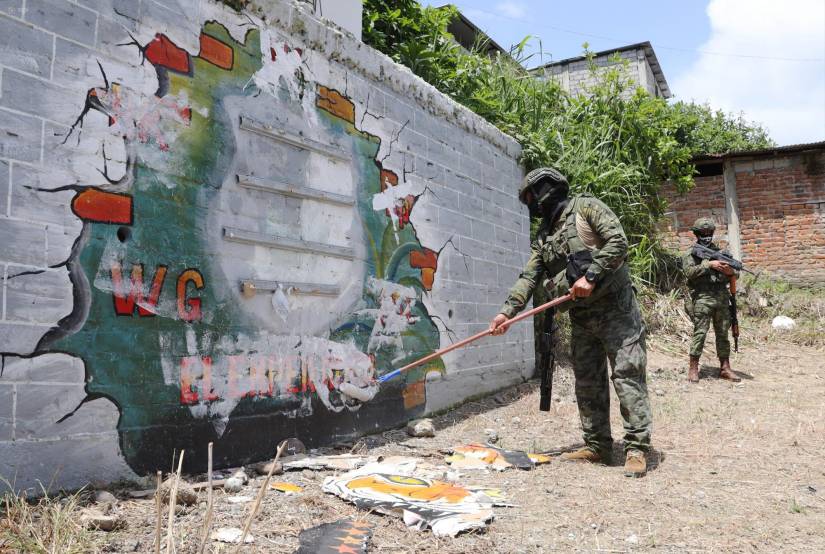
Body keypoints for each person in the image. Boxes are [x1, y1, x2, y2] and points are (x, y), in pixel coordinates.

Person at [489, 167, 652, 477]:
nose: (530, 205)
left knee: (627, 376)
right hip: (582, 318)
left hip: (617, 312)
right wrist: (507, 312)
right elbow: (531, 275)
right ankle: (597, 445)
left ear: (545, 191)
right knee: (588, 381)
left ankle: (636, 448)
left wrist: (591, 275)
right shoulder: (544, 236)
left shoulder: (586, 208)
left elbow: (618, 242)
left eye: (530, 198)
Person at [682, 218, 740, 383]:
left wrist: (730, 271)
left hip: (721, 298)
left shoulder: (721, 253)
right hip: (702, 297)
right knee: (700, 333)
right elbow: (688, 272)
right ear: (697, 234)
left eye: (709, 233)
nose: (706, 236)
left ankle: (725, 368)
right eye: (703, 233)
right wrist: (709, 265)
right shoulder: (691, 253)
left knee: (723, 334)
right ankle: (693, 368)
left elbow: (735, 274)